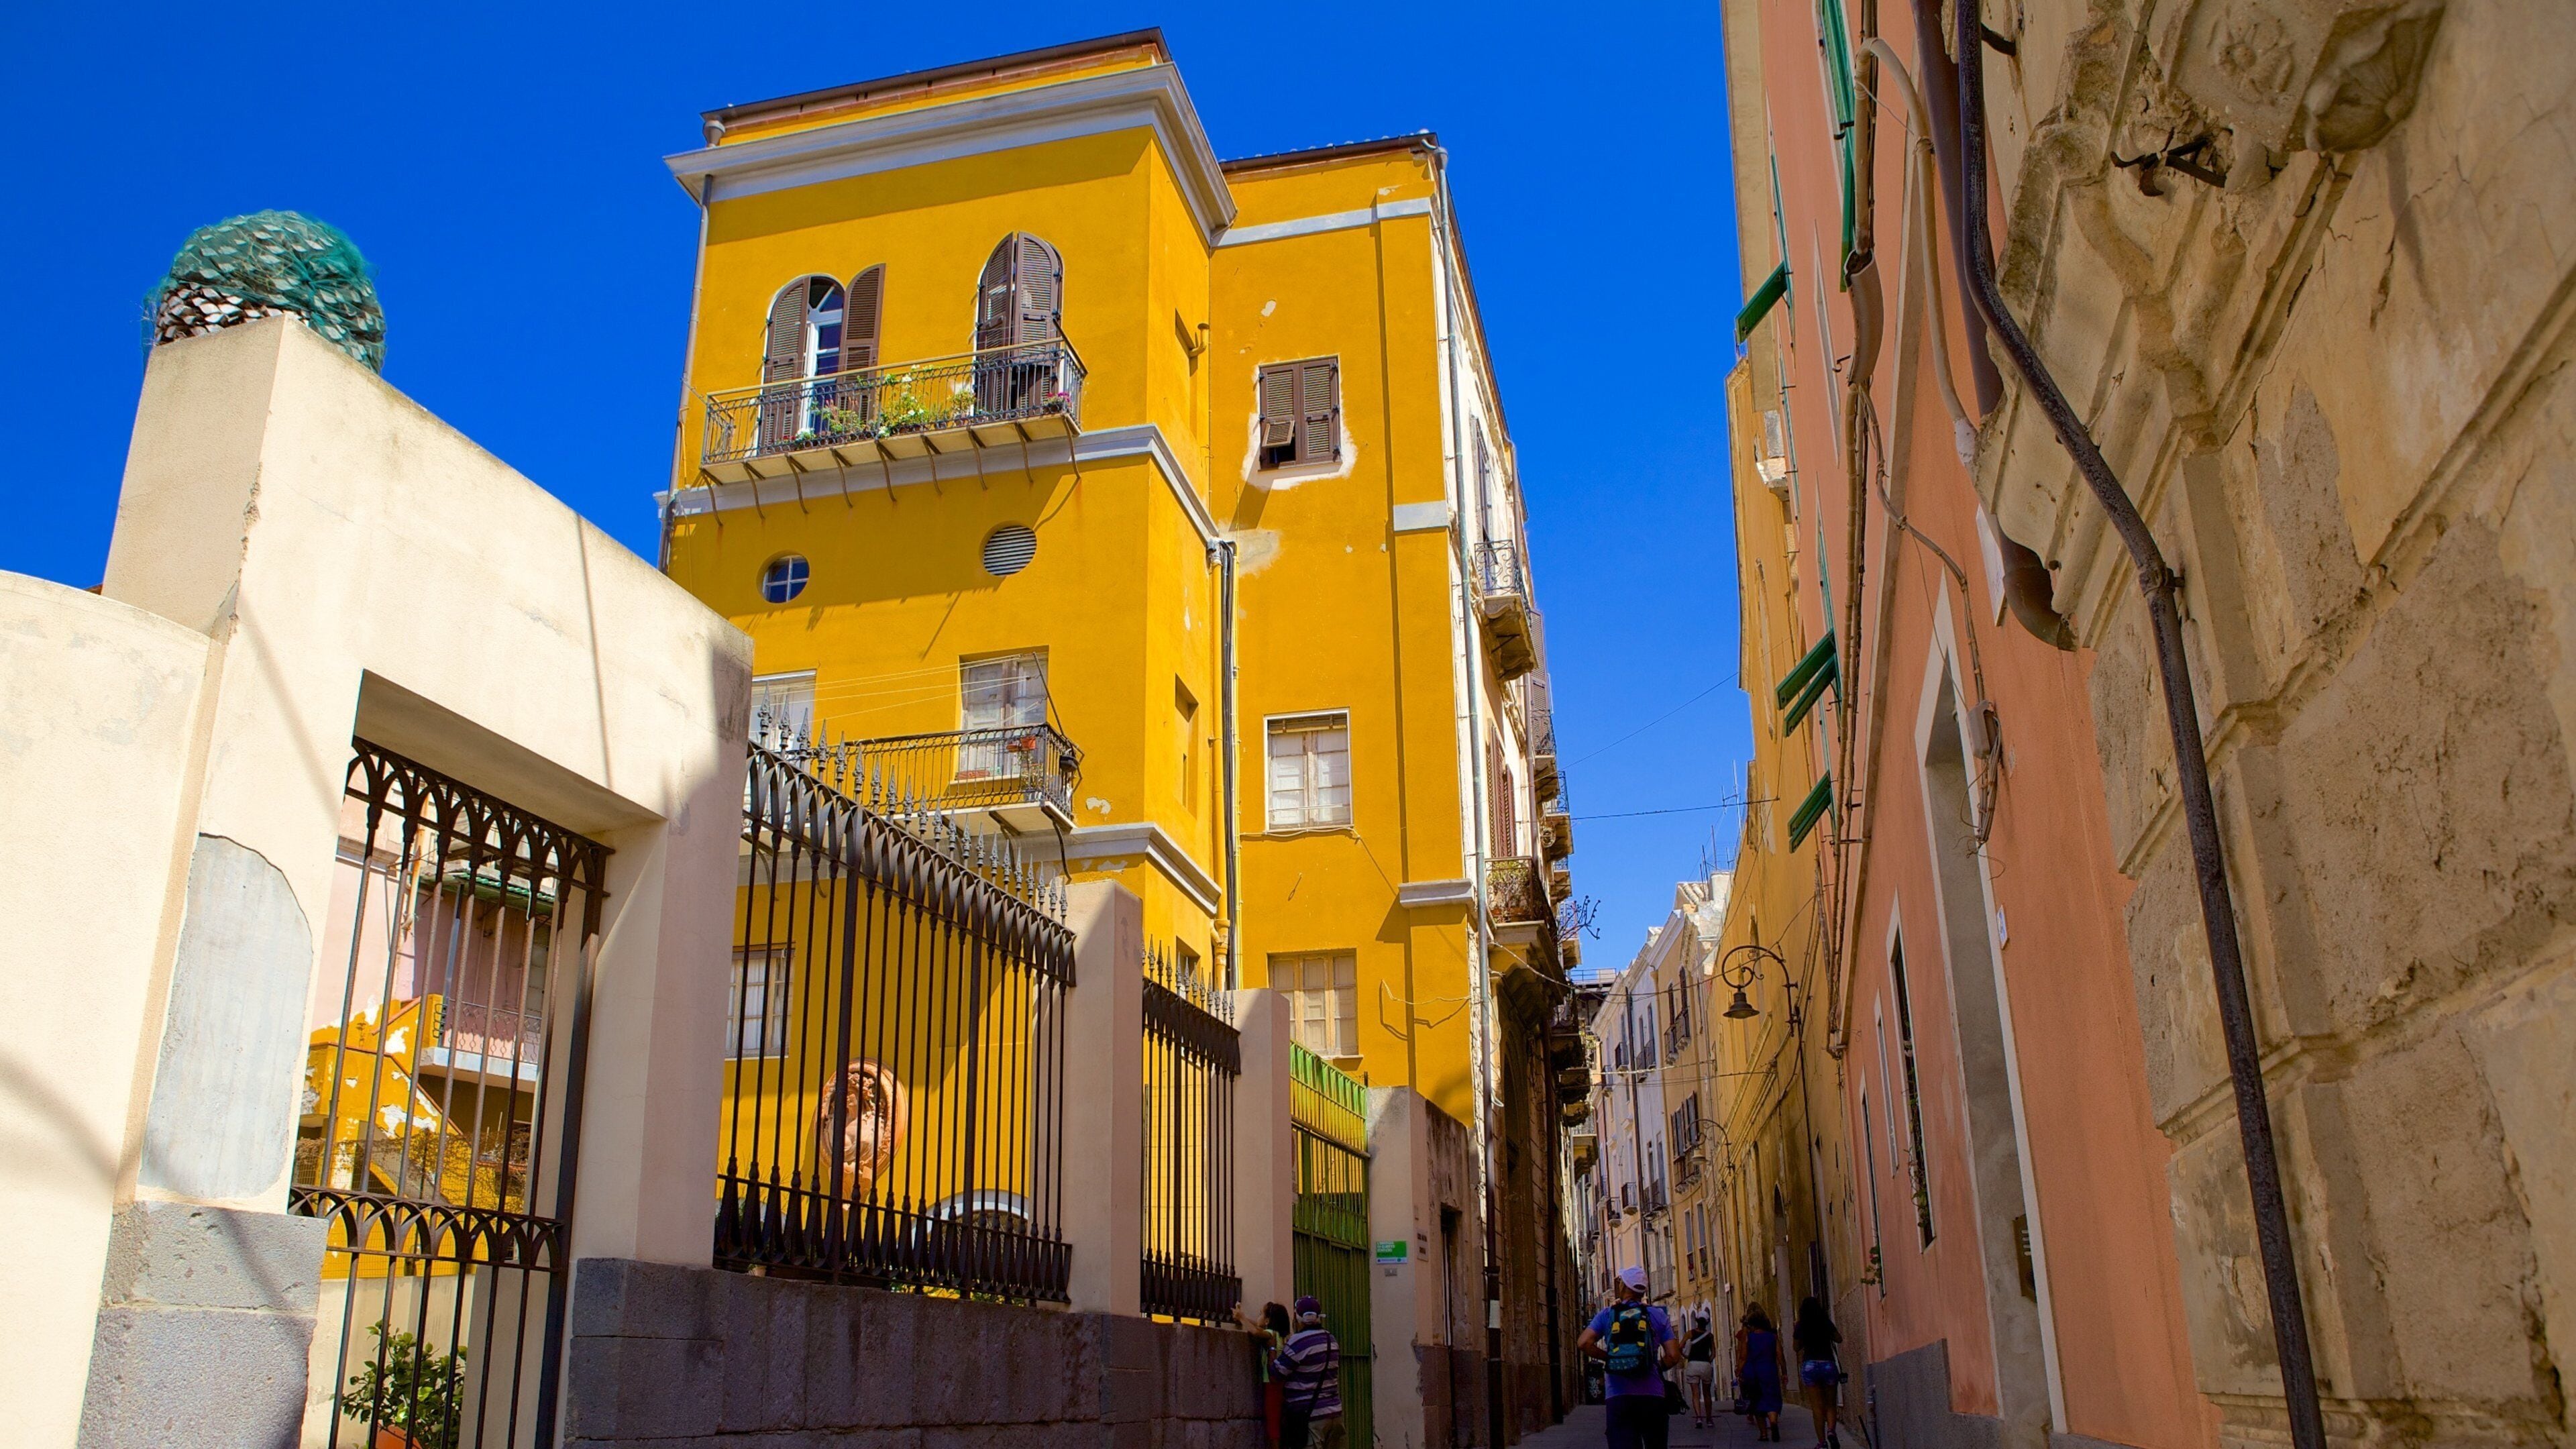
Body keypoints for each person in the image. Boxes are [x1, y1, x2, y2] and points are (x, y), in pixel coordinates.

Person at [1578, 1267, 1682, 1449]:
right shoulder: (1658, 1316)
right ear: (1643, 1291)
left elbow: (1584, 1343)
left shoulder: (1608, 1315)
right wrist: (1655, 1366)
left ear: (1623, 1286)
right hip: (1653, 1396)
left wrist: (1609, 1358)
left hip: (1618, 1397)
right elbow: (1673, 1356)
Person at [1273, 1295, 1342, 1449]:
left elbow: (1277, 1373)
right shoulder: (1331, 1340)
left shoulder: (1298, 1342)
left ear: (1298, 1317)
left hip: (1312, 1417)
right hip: (1335, 1415)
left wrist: (1272, 1348)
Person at [1792, 1297, 1843, 1449]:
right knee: (1830, 1403)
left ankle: (1822, 1443)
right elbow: (1838, 1339)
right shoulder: (1825, 1322)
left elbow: (1796, 1348)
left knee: (1817, 1407)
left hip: (1810, 1366)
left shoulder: (1801, 1325)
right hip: (1828, 1364)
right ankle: (1831, 1432)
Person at [1243, 1301, 1294, 1446]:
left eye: (1261, 1314)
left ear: (1268, 1321)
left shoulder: (1270, 1334)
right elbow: (1258, 1326)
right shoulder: (1283, 1336)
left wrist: (1242, 1318)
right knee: (1279, 1420)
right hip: (1283, 1383)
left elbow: (1256, 1332)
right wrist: (1245, 1318)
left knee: (1273, 1422)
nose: (1258, 1316)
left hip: (1272, 1385)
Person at [1735, 1305, 1785, 1442]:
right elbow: (1780, 1356)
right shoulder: (1772, 1337)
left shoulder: (1749, 1338)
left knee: (1757, 1403)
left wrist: (1739, 1370)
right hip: (1770, 1372)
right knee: (1772, 1399)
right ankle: (1773, 1422)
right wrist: (1785, 1372)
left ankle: (1763, 1434)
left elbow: (1744, 1356)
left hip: (1753, 1374)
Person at [1683, 1312, 1720, 1427]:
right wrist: (1708, 1360)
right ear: (1707, 1322)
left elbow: (1680, 1346)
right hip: (1705, 1365)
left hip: (1693, 1364)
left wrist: (1686, 1356)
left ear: (1697, 1321)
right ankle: (1709, 1419)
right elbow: (1713, 1353)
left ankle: (1699, 1418)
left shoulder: (1690, 1333)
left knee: (1695, 1393)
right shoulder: (1710, 1336)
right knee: (1707, 1393)